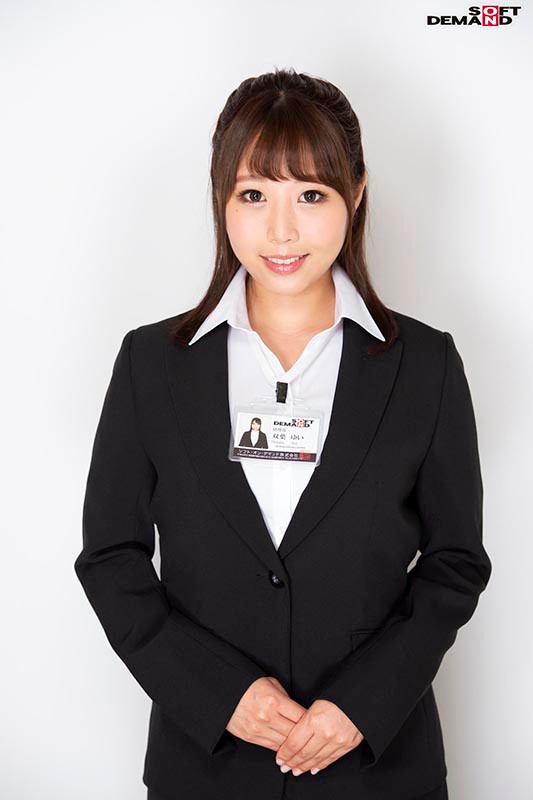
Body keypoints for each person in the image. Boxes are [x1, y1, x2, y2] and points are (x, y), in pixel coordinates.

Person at [74, 67, 492, 800]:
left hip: (376, 768)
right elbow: (110, 557)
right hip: (205, 767)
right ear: (220, 199)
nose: (281, 231)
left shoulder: (425, 364)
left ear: (355, 193)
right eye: (252, 195)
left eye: (310, 195)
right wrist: (215, 692)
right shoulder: (151, 363)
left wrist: (363, 703)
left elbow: (454, 562)